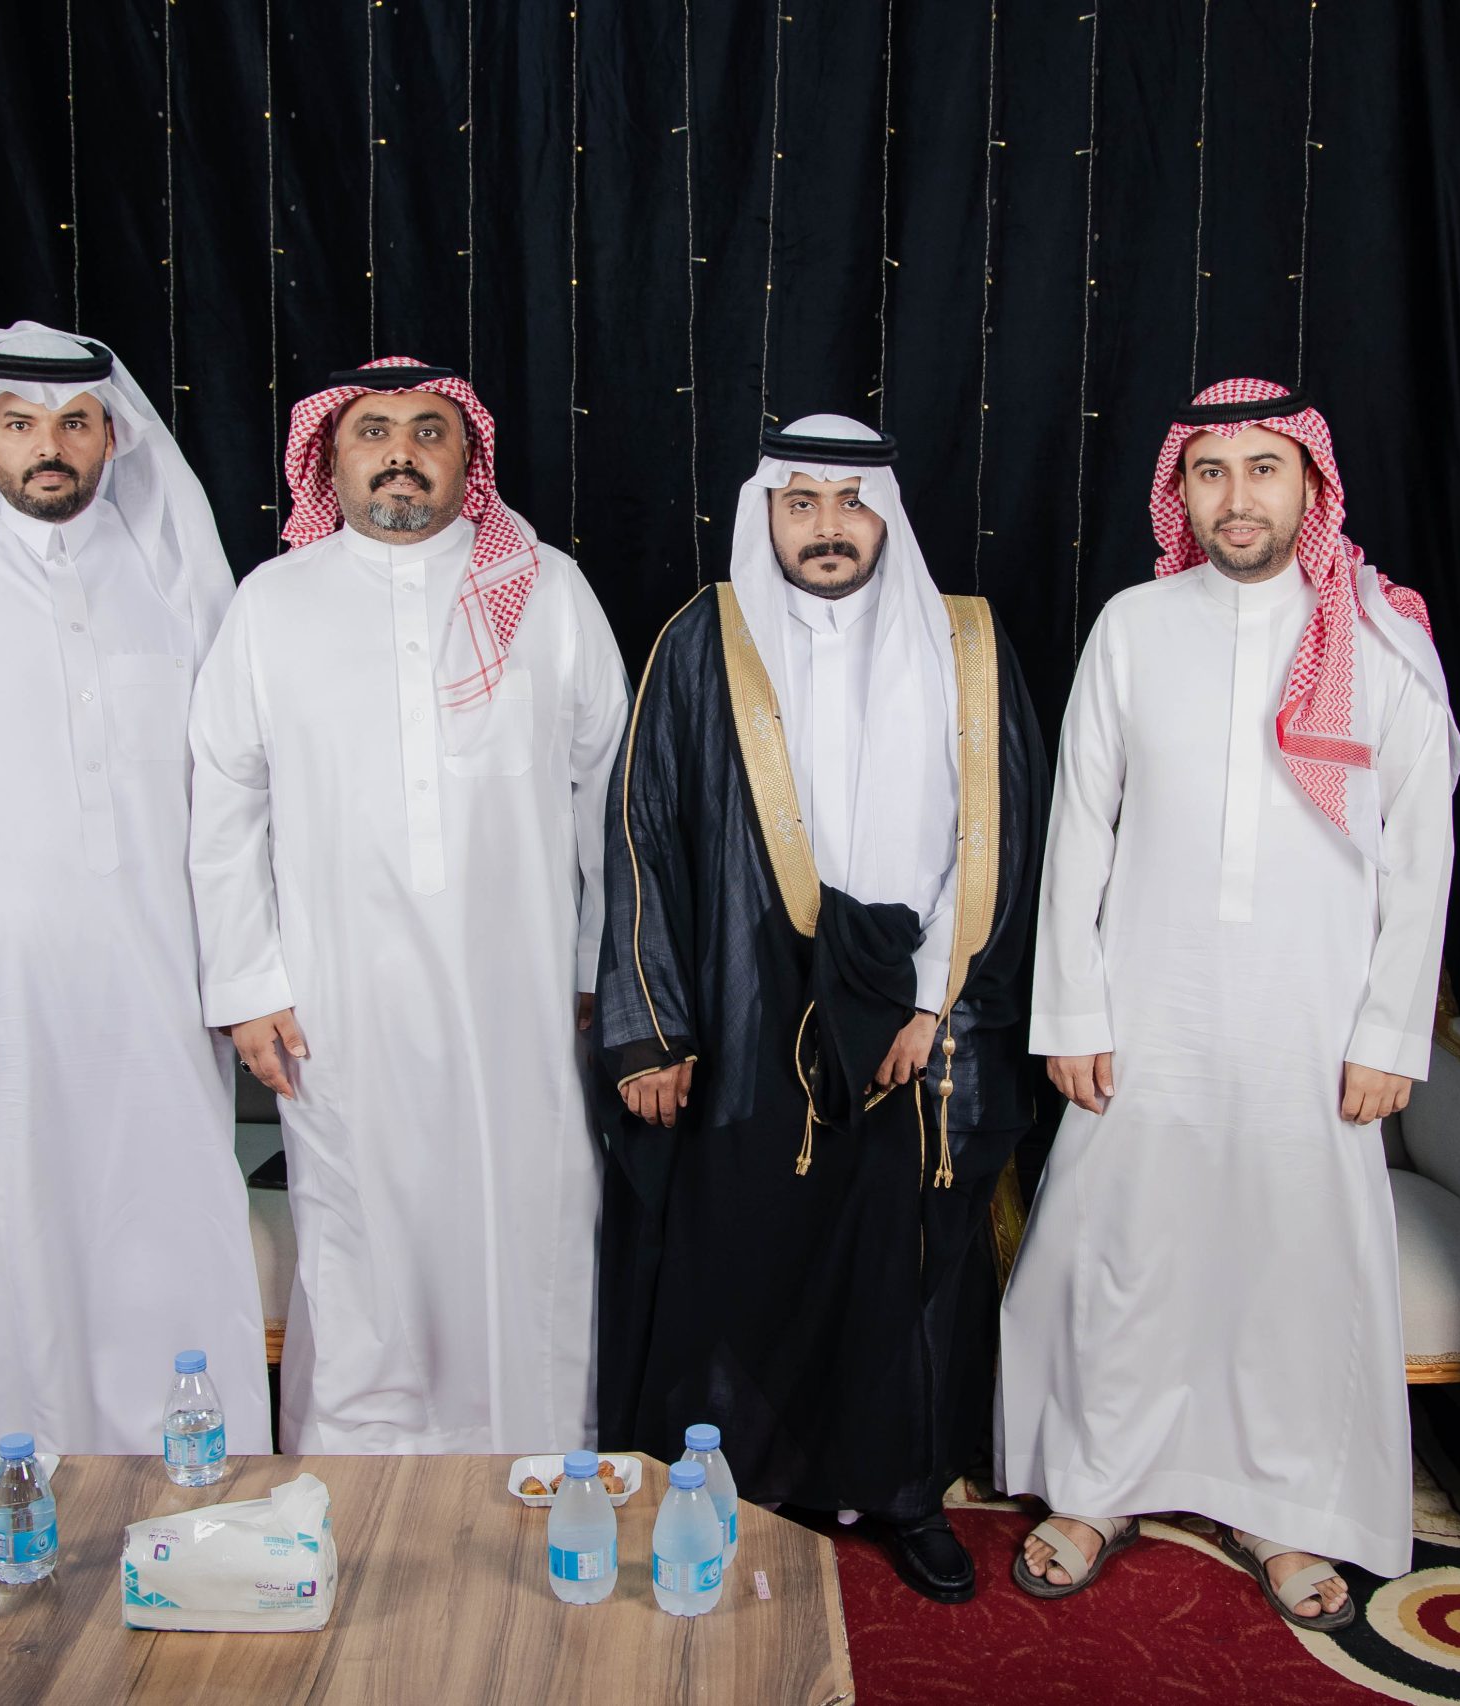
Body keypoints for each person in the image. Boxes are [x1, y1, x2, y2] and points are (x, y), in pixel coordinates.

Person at [999, 380, 1458, 1624]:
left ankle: (1281, 1506)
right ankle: (1094, 1486)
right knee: (1124, 1249)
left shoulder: (1379, 634)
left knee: (1290, 1260)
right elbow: (1077, 828)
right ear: (1180, 490)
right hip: (1148, 1003)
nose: (1236, 495)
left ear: (1311, 485)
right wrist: (1073, 1010)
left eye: (1263, 468)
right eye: (1210, 471)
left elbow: (1422, 850)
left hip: (1315, 1013)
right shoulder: (1134, 625)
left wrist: (1389, 1030)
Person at [597, 414, 1047, 1603]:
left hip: (915, 1015)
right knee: (751, 1242)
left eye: (850, 503)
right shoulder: (704, 638)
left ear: (886, 514)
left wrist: (933, 1003)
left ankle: (904, 1494)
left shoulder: (966, 641)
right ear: (767, 515)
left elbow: (1000, 832)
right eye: (799, 502)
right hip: (749, 1009)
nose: (827, 526)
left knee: (902, 1260)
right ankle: (749, 1481)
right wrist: (652, 1027)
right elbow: (644, 832)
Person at [0, 323, 267, 1457]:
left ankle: (190, 1468)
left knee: (168, 1216)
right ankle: (11, 1475)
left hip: (157, 972)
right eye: (20, 424)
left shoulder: (172, 568)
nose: (50, 445)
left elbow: (235, 776)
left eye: (74, 422)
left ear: (111, 437)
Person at [188, 358, 627, 1454]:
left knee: (528, 1223)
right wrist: (247, 987)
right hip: (336, 1003)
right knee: (358, 1243)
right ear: (327, 460)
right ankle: (364, 1474)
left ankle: (537, 1458)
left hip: (522, 998)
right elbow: (225, 802)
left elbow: (612, 798)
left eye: (429, 431)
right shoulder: (271, 603)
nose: (400, 453)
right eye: (372, 431)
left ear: (468, 454)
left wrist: (597, 968)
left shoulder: (549, 589)